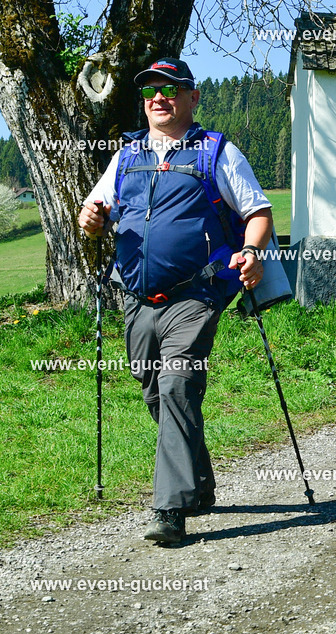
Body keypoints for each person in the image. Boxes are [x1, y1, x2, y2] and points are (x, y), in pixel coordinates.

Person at [78, 58, 272, 544]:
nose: (159, 99)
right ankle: (199, 483)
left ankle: (170, 509)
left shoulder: (216, 152)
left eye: (170, 90)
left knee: (178, 385)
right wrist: (92, 219)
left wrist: (250, 251)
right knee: (154, 389)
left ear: (192, 97)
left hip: (196, 294)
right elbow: (97, 209)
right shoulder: (124, 156)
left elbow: (258, 211)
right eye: (150, 94)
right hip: (136, 297)